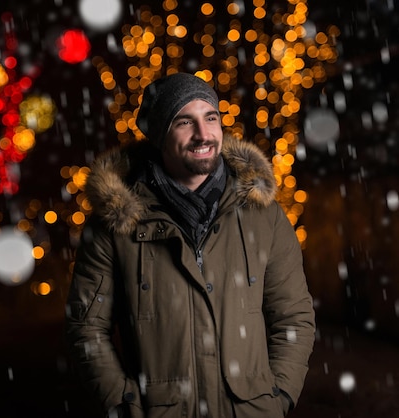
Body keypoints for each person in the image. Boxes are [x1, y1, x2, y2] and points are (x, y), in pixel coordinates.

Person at [64, 72, 315, 418]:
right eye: (184, 121)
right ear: (159, 136)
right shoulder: (115, 223)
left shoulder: (263, 214)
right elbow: (86, 327)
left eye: (210, 117)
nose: (203, 134)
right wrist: (123, 404)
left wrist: (279, 397)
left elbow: (294, 317)